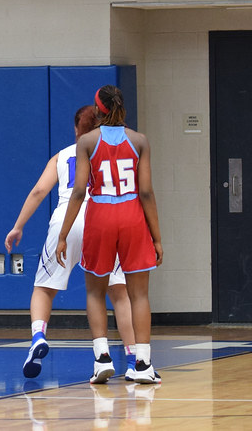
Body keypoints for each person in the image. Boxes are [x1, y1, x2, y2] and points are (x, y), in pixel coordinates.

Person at [5, 105, 136, 381]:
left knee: (44, 288)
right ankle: (135, 359)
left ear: (77, 129)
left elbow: (39, 191)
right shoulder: (112, 153)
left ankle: (39, 336)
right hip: (103, 219)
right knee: (119, 293)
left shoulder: (62, 155)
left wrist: (18, 226)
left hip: (67, 218)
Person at [57, 85, 164, 386]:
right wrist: (156, 237)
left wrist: (63, 234)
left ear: (97, 110)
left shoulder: (88, 141)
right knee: (139, 294)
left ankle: (102, 357)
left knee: (94, 290)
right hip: (132, 215)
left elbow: (79, 191)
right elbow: (145, 192)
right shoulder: (140, 141)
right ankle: (142, 363)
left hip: (101, 213)